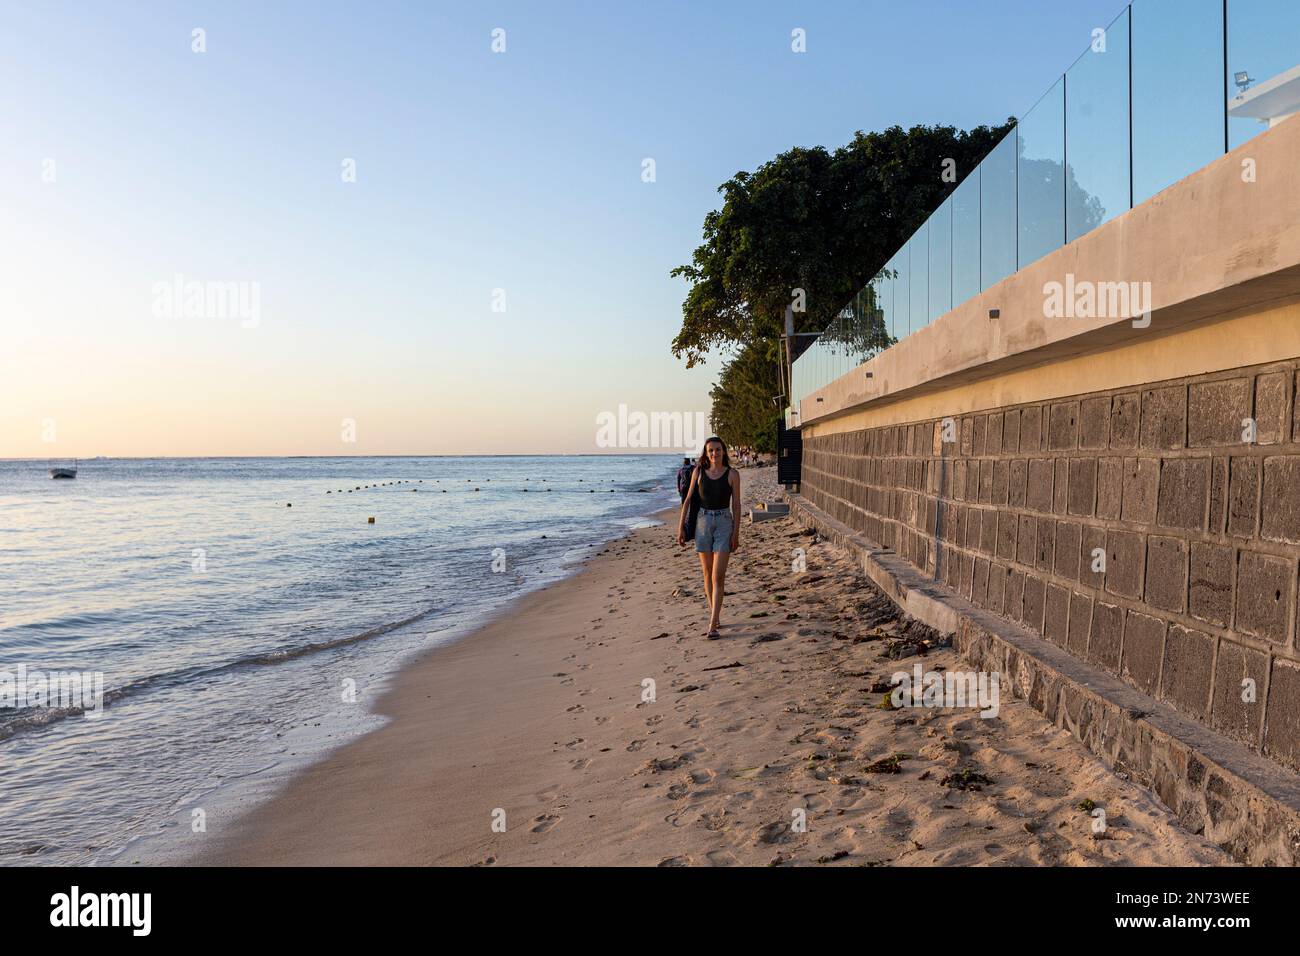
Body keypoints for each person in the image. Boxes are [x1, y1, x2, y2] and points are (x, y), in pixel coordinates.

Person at [677, 436, 741, 640]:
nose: (714, 453)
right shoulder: (698, 472)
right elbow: (687, 501)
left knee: (717, 576)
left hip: (724, 522)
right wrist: (680, 529)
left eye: (718, 450)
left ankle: (712, 625)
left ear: (724, 451)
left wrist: (736, 532)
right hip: (702, 523)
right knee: (706, 574)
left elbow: (737, 505)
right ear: (706, 453)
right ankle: (715, 611)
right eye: (711, 450)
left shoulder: (732, 474)